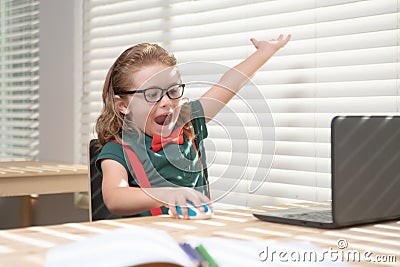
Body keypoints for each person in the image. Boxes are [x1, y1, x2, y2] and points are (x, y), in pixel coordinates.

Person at [95, 34, 291, 219]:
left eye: (172, 90)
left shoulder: (187, 122)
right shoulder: (118, 149)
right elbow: (115, 197)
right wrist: (167, 194)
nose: (166, 101)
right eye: (152, 94)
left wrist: (265, 51)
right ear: (123, 105)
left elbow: (230, 83)